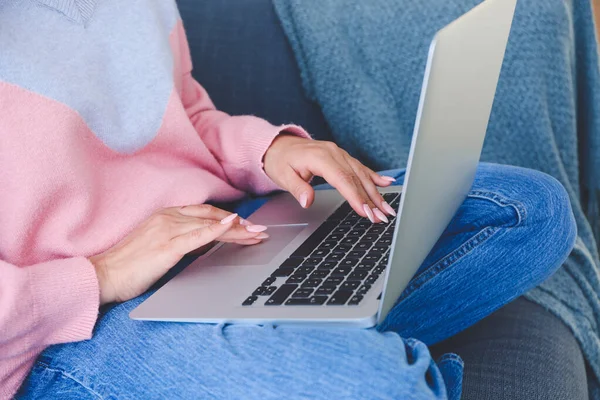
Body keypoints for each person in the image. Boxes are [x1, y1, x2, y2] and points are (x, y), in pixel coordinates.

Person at [0, 1, 577, 399]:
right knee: (385, 387)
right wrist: (102, 275)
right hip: (76, 325)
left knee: (533, 213)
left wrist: (266, 151)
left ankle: (293, 340)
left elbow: (186, 112)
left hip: (223, 232)